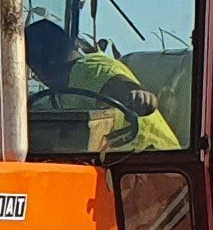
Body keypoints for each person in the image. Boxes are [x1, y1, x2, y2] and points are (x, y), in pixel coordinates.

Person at [25, 16, 180, 150]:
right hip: (117, 166)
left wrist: (137, 96)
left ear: (46, 66)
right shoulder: (60, 93)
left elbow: (118, 85)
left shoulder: (90, 69)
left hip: (153, 163)